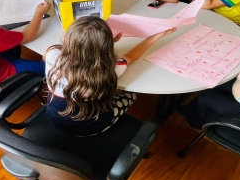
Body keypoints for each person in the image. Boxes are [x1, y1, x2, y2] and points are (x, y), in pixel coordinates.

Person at [44, 16, 176, 136]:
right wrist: (155, 36)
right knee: (132, 93)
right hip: (92, 127)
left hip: (54, 118)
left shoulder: (52, 53)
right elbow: (131, 57)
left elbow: (78, 49)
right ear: (106, 47)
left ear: (66, 38)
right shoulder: (110, 67)